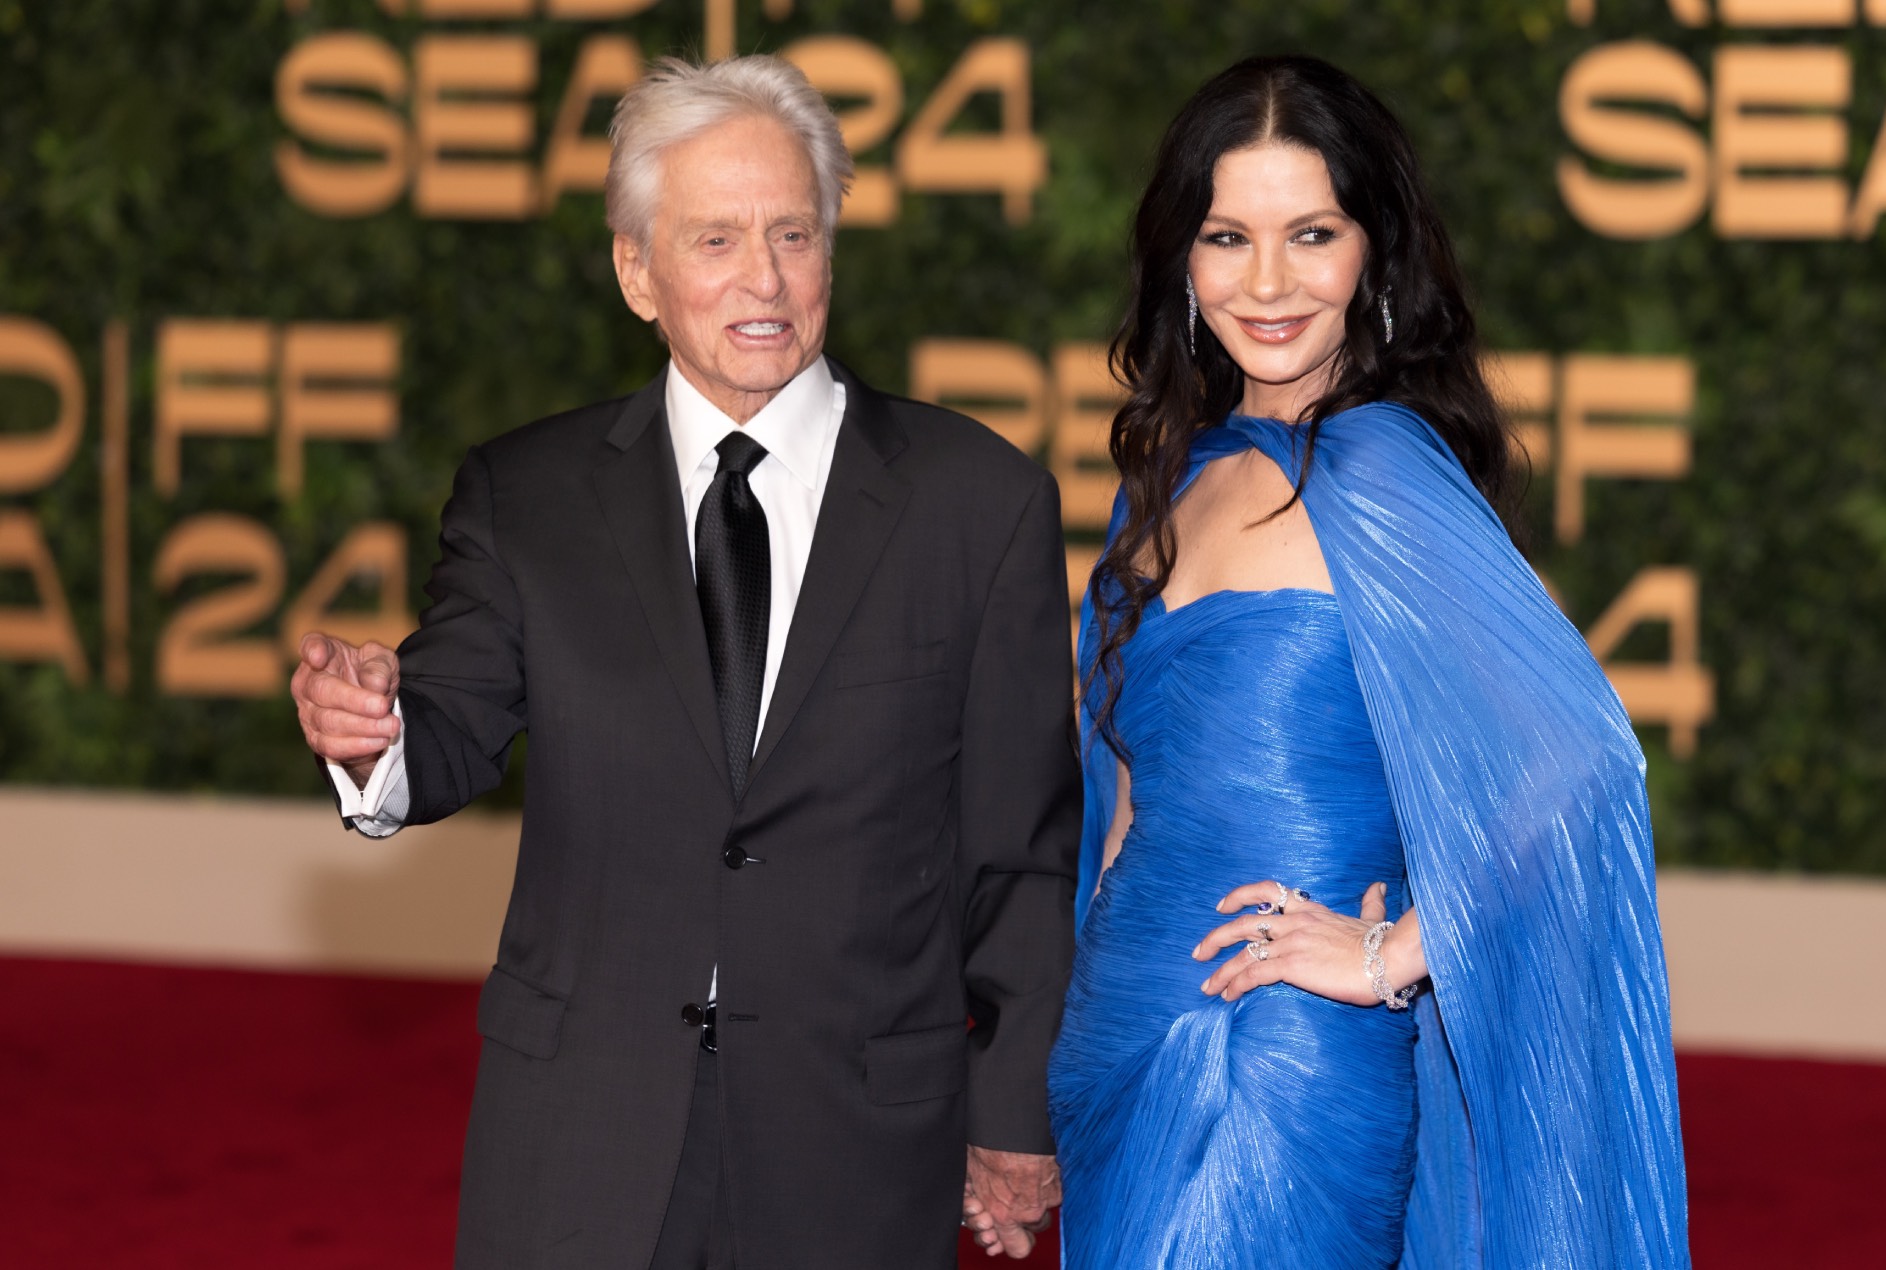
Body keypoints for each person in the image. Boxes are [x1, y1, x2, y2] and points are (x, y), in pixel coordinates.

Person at [288, 54, 1077, 1270]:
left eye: (793, 235)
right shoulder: (527, 494)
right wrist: (378, 735)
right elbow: (448, 720)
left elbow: (1020, 849)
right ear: (635, 269)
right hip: (582, 1128)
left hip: (854, 1141)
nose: (763, 279)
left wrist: (1014, 1109)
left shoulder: (979, 503)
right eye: (715, 239)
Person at [1040, 56, 1690, 1267]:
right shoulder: (1177, 480)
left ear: (1371, 256)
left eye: (1312, 233)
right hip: (1119, 1042)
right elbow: (1127, 801)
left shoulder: (1376, 469)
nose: (1268, 281)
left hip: (1280, 1059)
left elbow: (1581, 767)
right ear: (1180, 258)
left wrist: (1389, 954)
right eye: (1227, 235)